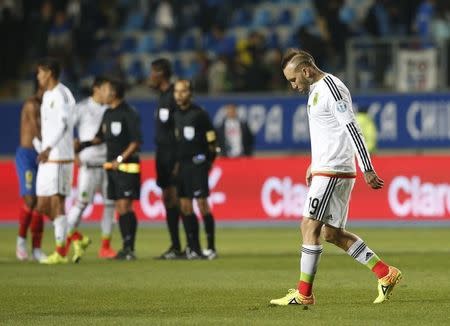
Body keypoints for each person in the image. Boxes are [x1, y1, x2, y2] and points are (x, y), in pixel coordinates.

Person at [270, 49, 401, 306]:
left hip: (334, 169)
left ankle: (304, 294)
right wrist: (313, 163)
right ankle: (385, 273)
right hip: (326, 167)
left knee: (309, 226)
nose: (293, 86)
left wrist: (367, 167)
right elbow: (326, 132)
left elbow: (352, 128)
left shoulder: (331, 88)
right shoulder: (314, 90)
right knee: (332, 234)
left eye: (293, 80)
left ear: (306, 71)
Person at [77, 77, 142, 261]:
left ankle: (129, 247)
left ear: (113, 93)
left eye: (105, 90)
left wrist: (120, 159)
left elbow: (136, 142)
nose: (102, 93)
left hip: (127, 166)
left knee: (125, 205)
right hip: (112, 168)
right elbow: (100, 138)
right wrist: (82, 145)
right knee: (119, 207)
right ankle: (126, 248)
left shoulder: (129, 113)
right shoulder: (108, 114)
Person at [66, 76, 117, 263]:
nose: (110, 93)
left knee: (110, 205)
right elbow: (66, 130)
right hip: (88, 165)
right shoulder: (82, 108)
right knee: (81, 204)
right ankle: (68, 239)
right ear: (96, 88)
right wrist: (75, 154)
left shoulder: (111, 109)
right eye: (107, 89)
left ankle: (105, 247)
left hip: (108, 165)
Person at [35, 58, 76, 264]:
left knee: (57, 203)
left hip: (59, 157)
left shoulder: (62, 94)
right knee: (42, 205)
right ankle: (76, 238)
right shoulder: (47, 95)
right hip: (47, 156)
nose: (38, 77)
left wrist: (49, 147)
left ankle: (60, 252)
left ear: (49, 72)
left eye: (40, 72)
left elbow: (63, 125)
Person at [173, 79, 218, 260]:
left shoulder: (200, 114)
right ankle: (193, 247)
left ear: (190, 93)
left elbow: (212, 141)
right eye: (176, 92)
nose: (179, 95)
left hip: (197, 165)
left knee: (202, 204)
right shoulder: (175, 115)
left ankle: (211, 247)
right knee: (185, 206)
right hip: (182, 166)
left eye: (183, 91)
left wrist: (208, 162)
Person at [148, 58, 186, 259]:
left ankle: (189, 246)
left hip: (173, 153)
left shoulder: (172, 95)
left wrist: (179, 159)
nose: (149, 77)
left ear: (161, 74)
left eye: (152, 73)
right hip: (162, 153)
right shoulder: (162, 96)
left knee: (178, 199)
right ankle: (176, 246)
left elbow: (179, 127)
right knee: (168, 199)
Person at [15, 83, 46, 261]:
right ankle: (21, 241)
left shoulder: (49, 106)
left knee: (40, 202)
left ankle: (36, 248)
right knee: (30, 199)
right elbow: (36, 130)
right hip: (27, 155)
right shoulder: (31, 104)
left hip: (40, 154)